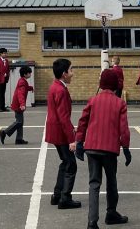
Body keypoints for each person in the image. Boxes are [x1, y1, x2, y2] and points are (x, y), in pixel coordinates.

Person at [76, 68, 131, 228]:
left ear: (101, 84)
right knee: (111, 181)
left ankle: (92, 222)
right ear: (115, 85)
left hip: (92, 146)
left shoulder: (92, 100)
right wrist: (126, 148)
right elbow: (124, 128)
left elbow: (82, 121)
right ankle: (111, 213)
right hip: (110, 148)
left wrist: (79, 141)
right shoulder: (120, 103)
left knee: (94, 183)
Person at [46, 57, 80, 210]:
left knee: (65, 162)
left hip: (55, 130)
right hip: (60, 132)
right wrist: (72, 138)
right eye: (71, 70)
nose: (73, 73)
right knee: (71, 164)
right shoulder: (61, 90)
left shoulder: (55, 86)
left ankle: (58, 194)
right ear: (64, 73)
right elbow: (63, 117)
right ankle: (65, 198)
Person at [0, 65, 33, 145]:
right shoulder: (22, 82)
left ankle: (19, 139)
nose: (30, 74)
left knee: (20, 122)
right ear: (25, 74)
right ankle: (4, 132)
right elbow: (20, 94)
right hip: (18, 104)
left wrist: (30, 88)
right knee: (19, 122)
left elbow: (24, 88)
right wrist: (22, 104)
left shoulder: (22, 80)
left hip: (18, 104)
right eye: (29, 73)